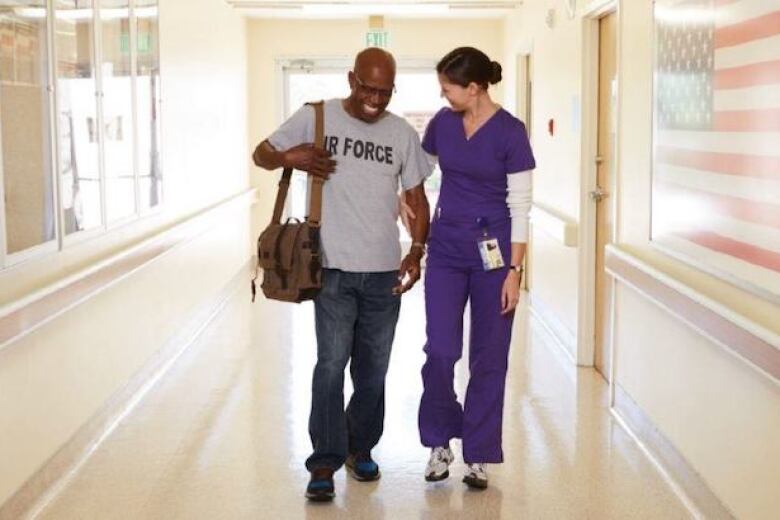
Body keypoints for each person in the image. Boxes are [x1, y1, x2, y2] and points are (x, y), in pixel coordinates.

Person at [252, 48, 431, 502]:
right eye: (367, 88)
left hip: (383, 272)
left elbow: (417, 195)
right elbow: (262, 154)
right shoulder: (316, 117)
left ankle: (361, 447)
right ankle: (324, 463)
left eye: (384, 91)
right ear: (352, 79)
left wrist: (416, 250)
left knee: (373, 370)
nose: (374, 99)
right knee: (331, 366)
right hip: (330, 267)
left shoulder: (402, 133)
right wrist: (290, 156)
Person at [416, 47, 535, 489]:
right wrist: (405, 206)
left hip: (495, 258)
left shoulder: (510, 132)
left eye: (448, 87)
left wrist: (514, 271)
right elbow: (417, 168)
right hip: (446, 249)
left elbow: (521, 206)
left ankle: (479, 452)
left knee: (490, 356)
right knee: (441, 350)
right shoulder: (442, 123)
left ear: (474, 87)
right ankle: (440, 441)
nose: (442, 93)